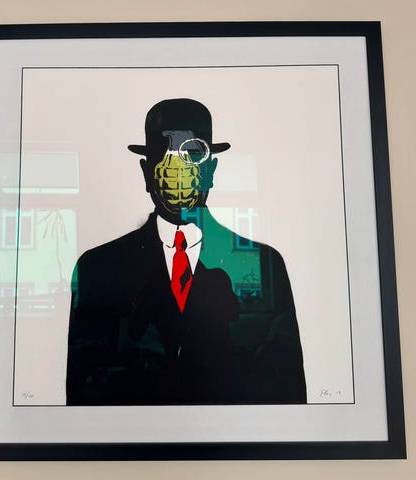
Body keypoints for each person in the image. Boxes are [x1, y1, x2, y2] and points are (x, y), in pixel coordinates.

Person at [66, 98, 306, 405]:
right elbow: (82, 398)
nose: (176, 169)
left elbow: (287, 393)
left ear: (211, 170)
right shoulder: (98, 268)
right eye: (162, 154)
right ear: (146, 172)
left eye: (192, 153)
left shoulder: (263, 265)